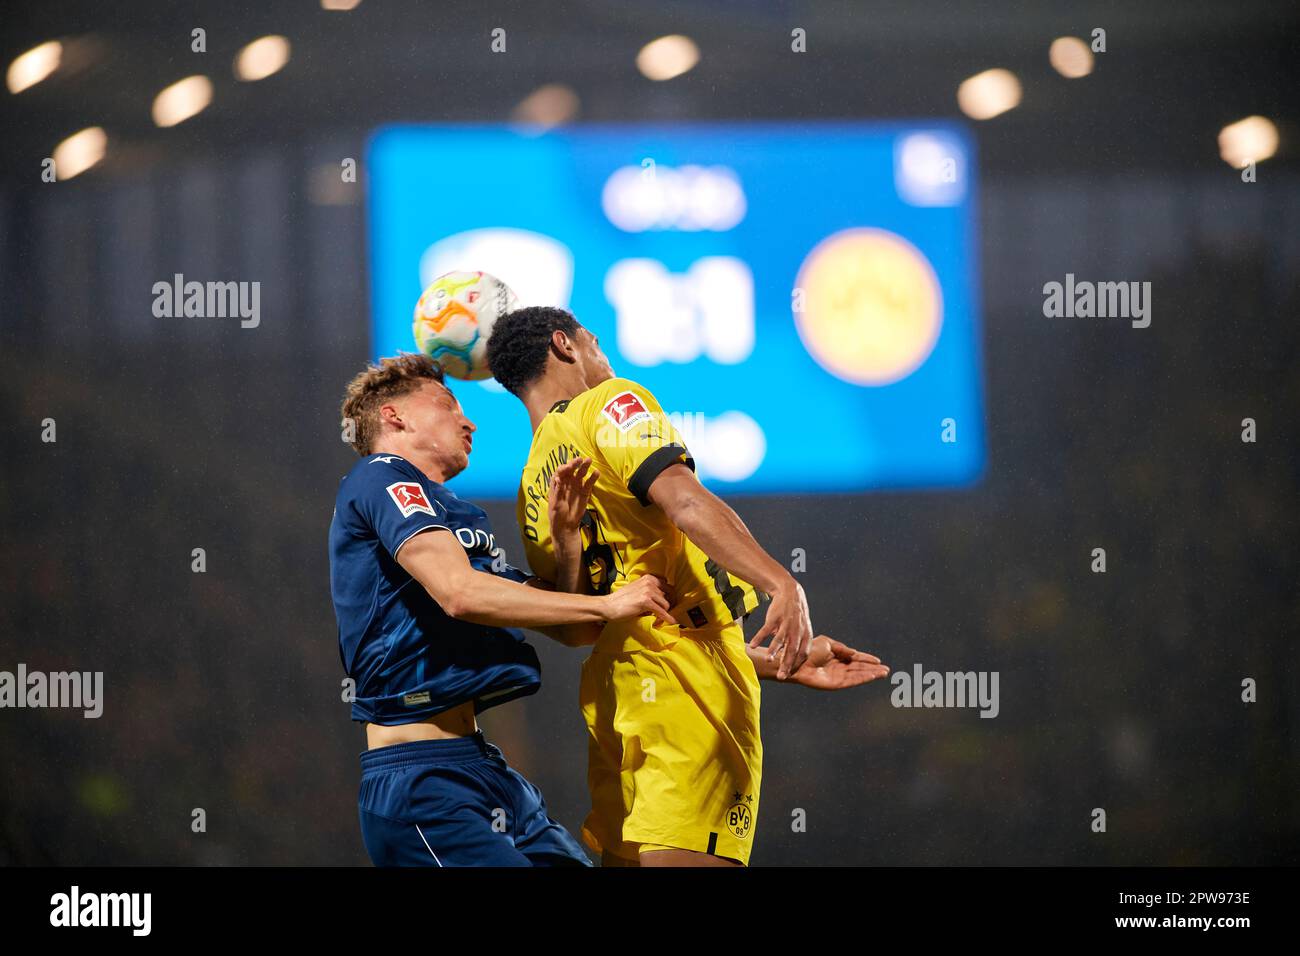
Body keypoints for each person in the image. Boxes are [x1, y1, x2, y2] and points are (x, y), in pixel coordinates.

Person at [486, 307, 891, 867]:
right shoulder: (609, 402)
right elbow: (684, 500)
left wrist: (770, 663)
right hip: (688, 692)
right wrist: (782, 584)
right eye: (596, 342)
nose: (606, 357)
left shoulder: (532, 482)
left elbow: (580, 629)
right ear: (565, 344)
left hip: (619, 692)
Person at [328, 353, 673, 866]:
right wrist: (608, 601)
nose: (468, 420)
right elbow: (459, 593)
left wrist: (568, 542)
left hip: (483, 766)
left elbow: (575, 630)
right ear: (394, 417)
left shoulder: (456, 516)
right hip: (420, 780)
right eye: (447, 405)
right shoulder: (379, 476)